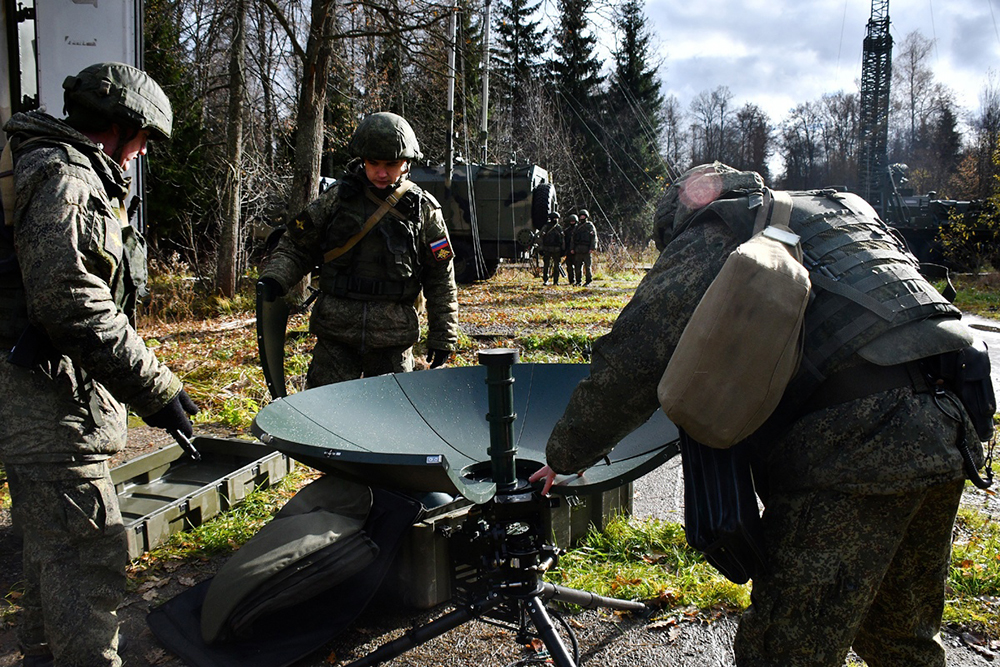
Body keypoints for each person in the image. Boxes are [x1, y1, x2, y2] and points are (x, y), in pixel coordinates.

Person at [530, 162, 987, 667]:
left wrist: (567, 453)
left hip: (858, 447)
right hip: (949, 426)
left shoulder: (721, 226)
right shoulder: (835, 212)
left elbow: (637, 356)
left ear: (685, 209)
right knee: (899, 640)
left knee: (784, 650)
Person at [0, 62, 198, 667]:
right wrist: (157, 388)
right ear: (117, 127)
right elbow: (68, 298)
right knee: (88, 565)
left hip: (42, 408)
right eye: (141, 142)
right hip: (49, 411)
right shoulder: (66, 177)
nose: (140, 155)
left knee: (51, 560)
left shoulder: (47, 165)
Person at [258, 112, 458, 387]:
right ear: (361, 159)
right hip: (336, 335)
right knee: (324, 418)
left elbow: (441, 276)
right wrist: (275, 278)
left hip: (393, 340)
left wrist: (443, 335)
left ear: (407, 163)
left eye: (391, 163)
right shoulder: (335, 199)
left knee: (391, 420)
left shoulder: (424, 210)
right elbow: (295, 245)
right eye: (373, 163)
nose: (381, 172)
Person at [570, 208, 597, 285]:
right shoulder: (577, 227)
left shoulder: (589, 226)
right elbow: (573, 238)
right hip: (578, 249)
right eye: (581, 216)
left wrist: (592, 248)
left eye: (583, 216)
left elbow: (594, 237)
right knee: (577, 267)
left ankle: (588, 281)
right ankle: (578, 281)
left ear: (586, 217)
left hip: (587, 249)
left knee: (587, 267)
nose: (582, 218)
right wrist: (572, 248)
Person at [540, 212, 564, 285]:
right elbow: (541, 238)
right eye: (554, 218)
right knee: (546, 266)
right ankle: (545, 280)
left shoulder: (559, 228)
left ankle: (556, 281)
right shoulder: (546, 227)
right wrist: (541, 249)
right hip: (547, 249)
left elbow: (562, 239)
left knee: (556, 266)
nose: (556, 220)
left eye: (557, 218)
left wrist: (563, 249)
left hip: (557, 250)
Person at [562, 213, 578, 286]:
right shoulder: (567, 231)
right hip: (568, 251)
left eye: (573, 221)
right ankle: (571, 280)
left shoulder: (578, 230)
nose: (572, 223)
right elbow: (564, 241)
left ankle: (578, 281)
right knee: (569, 267)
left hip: (577, 251)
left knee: (577, 267)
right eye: (571, 221)